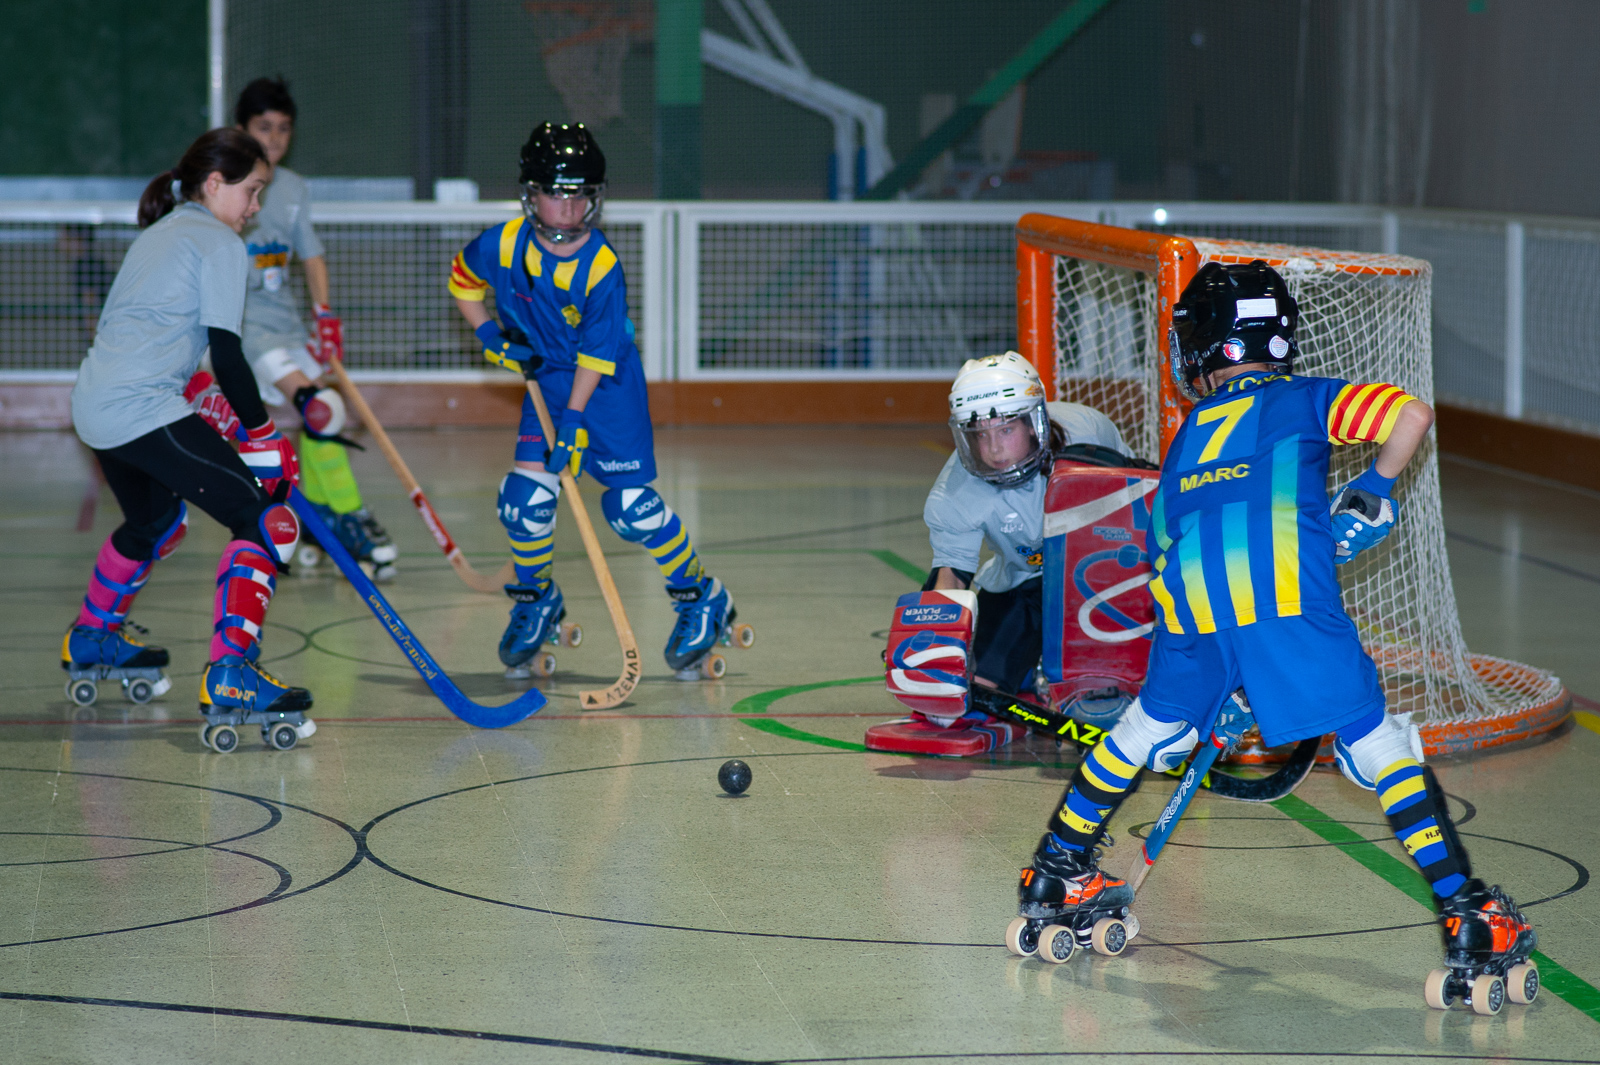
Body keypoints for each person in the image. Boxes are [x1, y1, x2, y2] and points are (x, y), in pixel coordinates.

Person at [1012, 261, 1535, 996]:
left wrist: (1230, 677)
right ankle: (1468, 914)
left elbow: (1168, 532)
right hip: (1287, 601)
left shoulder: (1189, 430)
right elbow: (1410, 417)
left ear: (1203, 345)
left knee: (1143, 730)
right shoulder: (1305, 397)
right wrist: (1370, 492)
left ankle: (1054, 870)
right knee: (1376, 743)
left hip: (1188, 604)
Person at [448, 122, 737, 678]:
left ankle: (701, 596)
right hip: (545, 380)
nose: (569, 206)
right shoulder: (501, 244)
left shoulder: (601, 267)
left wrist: (574, 419)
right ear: (530, 193)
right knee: (523, 502)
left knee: (629, 510)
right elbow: (462, 281)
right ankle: (537, 601)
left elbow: (595, 357)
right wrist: (489, 335)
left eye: (580, 193)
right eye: (557, 193)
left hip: (604, 388)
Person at [65, 127, 314, 745]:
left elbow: (155, 340)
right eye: (251, 191)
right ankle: (233, 674)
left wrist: (212, 406)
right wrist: (262, 436)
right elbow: (227, 355)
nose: (256, 206)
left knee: (155, 524)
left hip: (96, 406)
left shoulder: (161, 232)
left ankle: (92, 637)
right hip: (141, 408)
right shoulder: (220, 242)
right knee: (267, 523)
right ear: (215, 183)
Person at [874, 352, 1133, 754]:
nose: (994, 450)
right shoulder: (955, 492)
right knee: (971, 697)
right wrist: (937, 650)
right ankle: (1026, 670)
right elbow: (951, 575)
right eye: (980, 434)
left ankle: (1091, 672)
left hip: (1102, 574)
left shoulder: (1088, 433)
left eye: (1006, 429)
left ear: (1034, 422)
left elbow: (1137, 513)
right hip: (1023, 583)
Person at [235, 77, 396, 578]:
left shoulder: (293, 189)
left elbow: (311, 256)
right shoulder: (225, 183)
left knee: (325, 416)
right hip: (245, 332)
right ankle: (349, 517)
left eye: (283, 129)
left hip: (285, 324)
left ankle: (318, 520)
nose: (274, 138)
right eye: (264, 127)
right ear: (241, 128)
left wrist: (323, 315)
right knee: (322, 408)